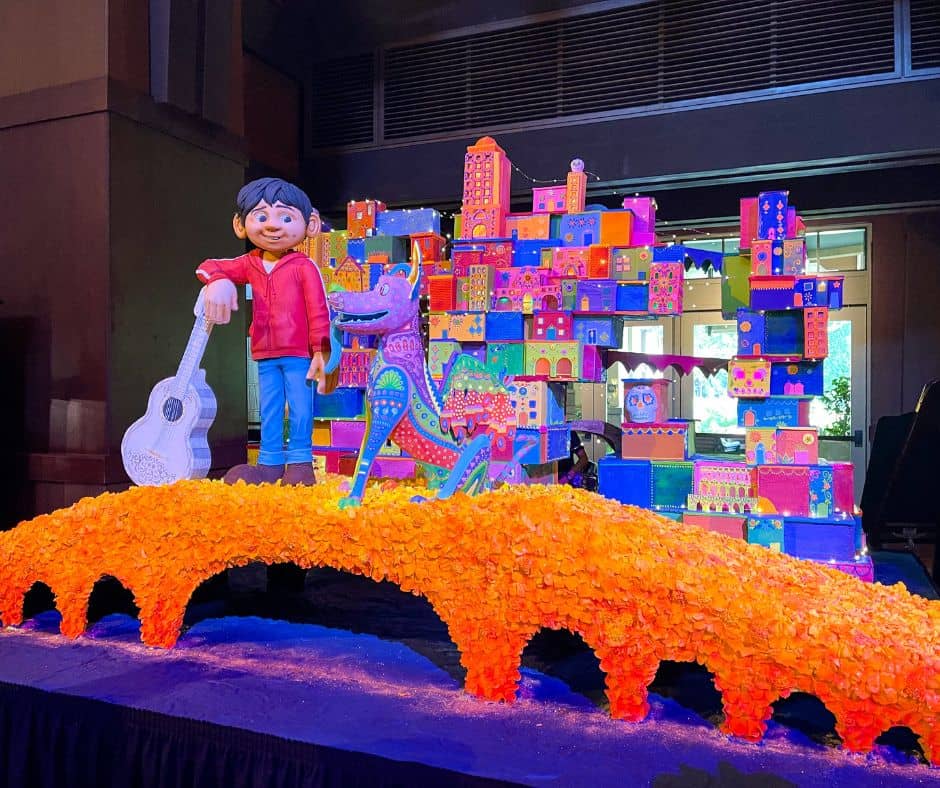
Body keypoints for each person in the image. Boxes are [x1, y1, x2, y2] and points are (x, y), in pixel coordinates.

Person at [196, 177, 337, 486]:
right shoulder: (250, 263)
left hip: (300, 353)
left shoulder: (304, 267)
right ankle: (270, 463)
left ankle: (300, 462)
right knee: (270, 409)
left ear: (309, 224)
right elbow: (209, 266)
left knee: (300, 407)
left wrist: (320, 352)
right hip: (265, 353)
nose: (273, 226)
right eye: (262, 216)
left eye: (286, 217)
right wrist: (217, 281)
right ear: (240, 224)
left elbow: (318, 311)